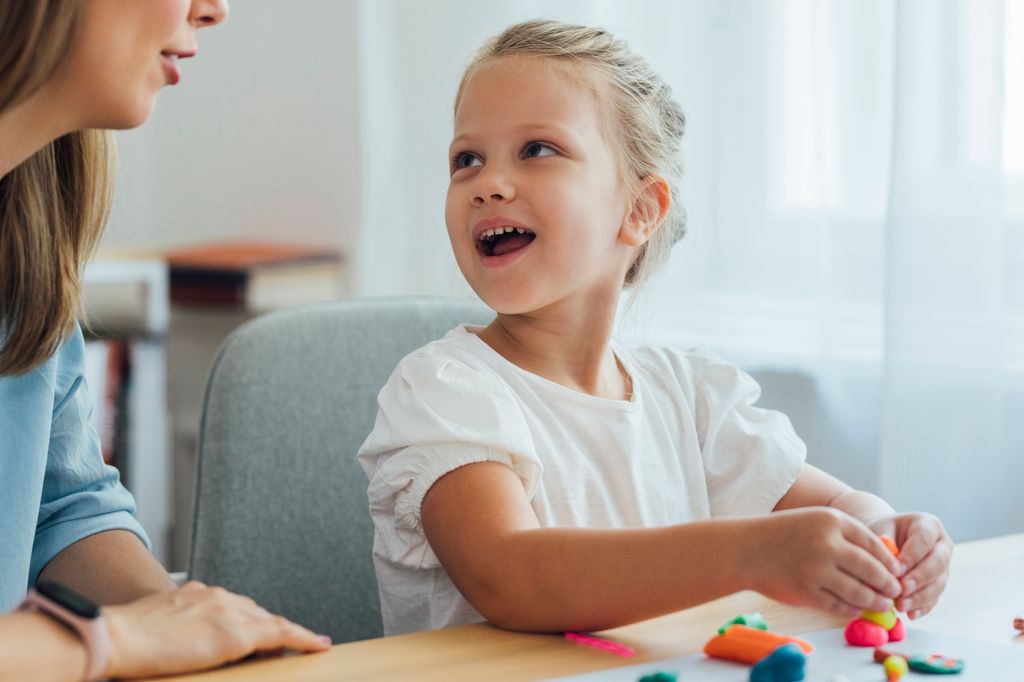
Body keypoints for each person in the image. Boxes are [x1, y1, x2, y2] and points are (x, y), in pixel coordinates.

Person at [357, 18, 953, 636]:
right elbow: (512, 579)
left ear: (640, 210)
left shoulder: (693, 396)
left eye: (536, 150)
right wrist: (750, 552)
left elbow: (835, 510)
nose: (488, 185)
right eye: (467, 160)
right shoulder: (444, 390)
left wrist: (885, 533)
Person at [0, 2, 330, 680]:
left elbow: (60, 511)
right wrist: (113, 641)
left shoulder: (23, 242)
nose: (214, 9)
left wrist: (199, 629)